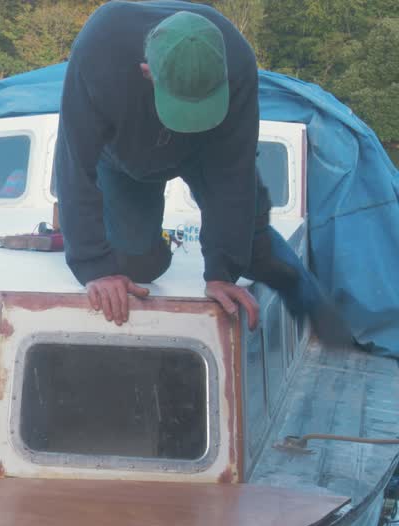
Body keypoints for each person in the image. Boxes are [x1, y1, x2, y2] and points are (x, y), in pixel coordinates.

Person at [55, 0, 349, 340]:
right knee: (139, 267)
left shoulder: (238, 60)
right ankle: (156, 244)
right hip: (126, 158)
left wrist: (221, 272)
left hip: (209, 150)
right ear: (147, 70)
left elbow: (234, 172)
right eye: (183, 109)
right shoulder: (99, 51)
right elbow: (74, 165)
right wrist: (94, 266)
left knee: (252, 241)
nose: (187, 124)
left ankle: (318, 314)